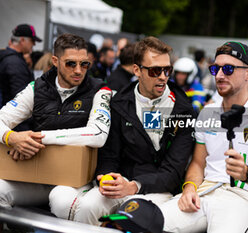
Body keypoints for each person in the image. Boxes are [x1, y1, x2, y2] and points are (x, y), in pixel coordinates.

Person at [51, 36, 196, 226]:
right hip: (120, 182)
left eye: (167, 70)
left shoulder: (184, 110)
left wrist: (134, 186)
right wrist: (107, 176)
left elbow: (174, 171)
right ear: (137, 70)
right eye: (155, 70)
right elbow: (109, 155)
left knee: (134, 218)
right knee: (87, 207)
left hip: (157, 189)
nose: (163, 76)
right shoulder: (119, 102)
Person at [161, 41, 248, 233]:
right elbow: (198, 163)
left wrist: (247, 173)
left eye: (228, 69)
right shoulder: (207, 113)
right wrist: (189, 188)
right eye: (215, 68)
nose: (219, 75)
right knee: (150, 223)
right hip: (204, 192)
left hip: (243, 197)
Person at [0, 33, 112, 210]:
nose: (78, 70)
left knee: (62, 201)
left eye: (84, 64)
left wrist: (36, 138)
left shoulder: (100, 90)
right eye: (70, 63)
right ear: (55, 61)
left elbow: (97, 134)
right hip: (39, 175)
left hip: (76, 180)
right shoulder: (36, 88)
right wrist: (11, 138)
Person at [0, 24, 41, 107]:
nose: (34, 44)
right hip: (12, 116)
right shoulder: (14, 62)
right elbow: (21, 97)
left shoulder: (8, 57)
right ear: (22, 40)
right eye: (32, 41)